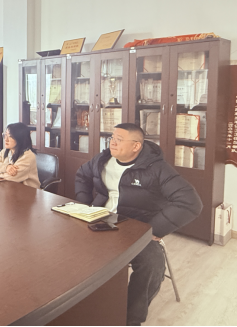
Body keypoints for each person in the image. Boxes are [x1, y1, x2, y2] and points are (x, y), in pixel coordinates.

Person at [75, 123, 203, 326]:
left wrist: (153, 230)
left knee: (152, 264)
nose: (112, 143)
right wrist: (85, 206)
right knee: (66, 245)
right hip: (100, 218)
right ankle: (76, 307)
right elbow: (82, 175)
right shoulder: (102, 159)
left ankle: (131, 318)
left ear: (136, 146)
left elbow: (190, 202)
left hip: (136, 226)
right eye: (111, 138)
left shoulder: (156, 168)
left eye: (118, 139)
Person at [0, 123, 40, 189]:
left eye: (10, 136)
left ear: (20, 138)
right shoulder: (5, 151)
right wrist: (6, 167)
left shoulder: (28, 156)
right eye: (5, 135)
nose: (6, 139)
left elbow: (11, 178)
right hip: (9, 189)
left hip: (27, 192)